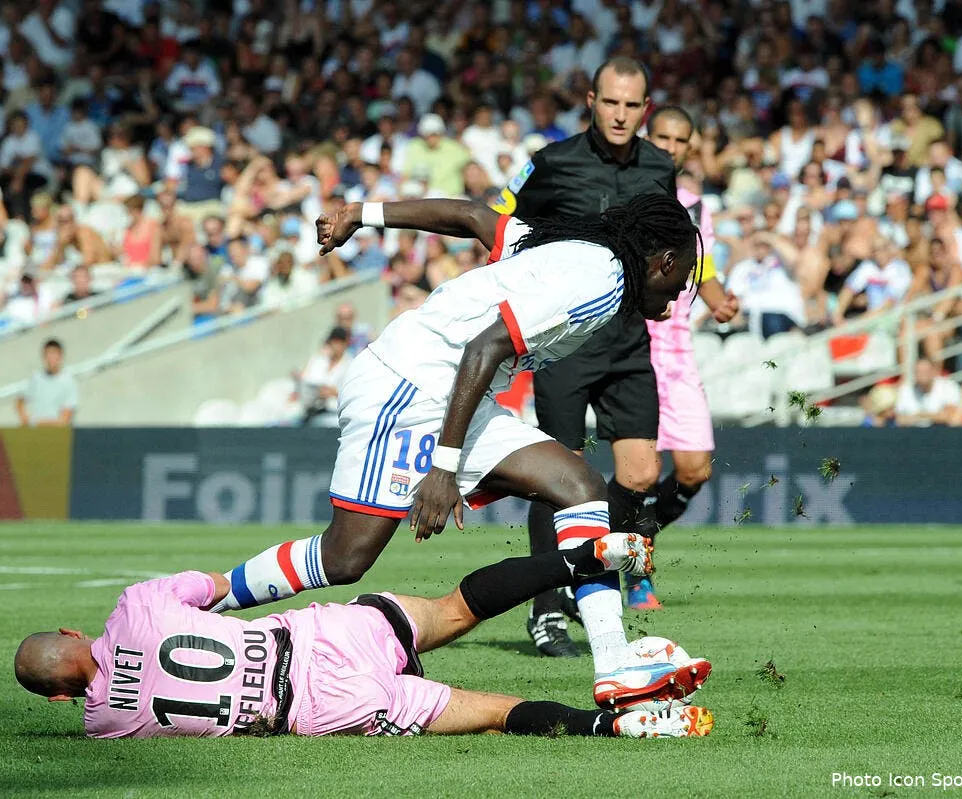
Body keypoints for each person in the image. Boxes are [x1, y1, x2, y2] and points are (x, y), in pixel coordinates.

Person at [212, 191, 705, 710]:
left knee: (581, 488)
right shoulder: (601, 281)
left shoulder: (567, 251)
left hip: (459, 393)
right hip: (408, 385)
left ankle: (614, 666)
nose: (676, 298)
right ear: (664, 262)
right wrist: (443, 468)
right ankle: (207, 596)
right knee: (344, 559)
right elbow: (484, 346)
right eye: (682, 278)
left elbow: (470, 216)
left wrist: (362, 213)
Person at [15, 532, 714, 739]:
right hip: (316, 635)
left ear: (60, 699)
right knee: (454, 608)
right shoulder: (137, 604)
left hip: (316, 709)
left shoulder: (105, 722)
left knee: (494, 710)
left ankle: (619, 729)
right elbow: (219, 587)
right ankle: (584, 557)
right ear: (75, 631)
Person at [490, 56, 677, 658]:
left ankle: (577, 567)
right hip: (566, 339)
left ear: (645, 109)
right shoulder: (550, 162)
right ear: (591, 101)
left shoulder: (660, 164)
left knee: (642, 473)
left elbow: (670, 240)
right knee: (558, 479)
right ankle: (547, 613)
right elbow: (499, 217)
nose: (621, 115)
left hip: (628, 340)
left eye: (633, 105)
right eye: (611, 102)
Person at [634, 106, 741, 610]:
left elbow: (704, 267)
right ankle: (634, 574)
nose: (670, 147)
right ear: (646, 137)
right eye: (663, 137)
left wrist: (719, 298)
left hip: (677, 353)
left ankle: (635, 540)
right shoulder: (628, 192)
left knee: (695, 468)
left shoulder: (696, 206)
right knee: (641, 470)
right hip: (633, 344)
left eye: (680, 140)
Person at [299, 326, 353, 427]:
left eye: (340, 342)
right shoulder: (319, 360)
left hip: (335, 413)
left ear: (346, 343)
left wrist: (334, 393)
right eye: (334, 342)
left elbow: (352, 394)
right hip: (312, 409)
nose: (336, 345)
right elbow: (306, 381)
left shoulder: (351, 364)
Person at [16, 338, 78, 427]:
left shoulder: (69, 383)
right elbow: (19, 402)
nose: (51, 358)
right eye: (48, 354)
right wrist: (25, 418)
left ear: (60, 356)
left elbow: (65, 419)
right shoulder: (37, 379)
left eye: (54, 354)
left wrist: (35, 422)